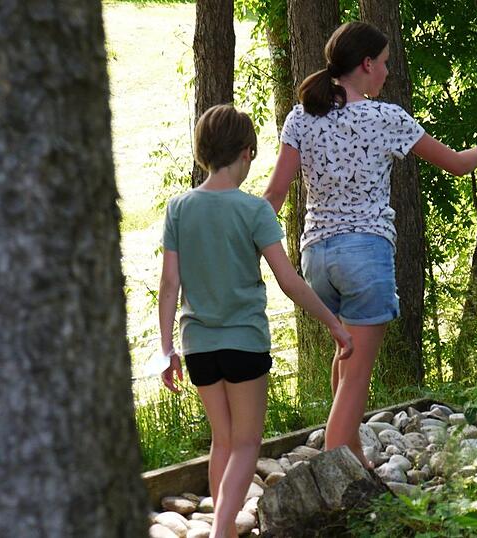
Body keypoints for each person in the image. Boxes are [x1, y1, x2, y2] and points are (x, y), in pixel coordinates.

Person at [263, 21, 477, 469]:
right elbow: (456, 164)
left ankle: (353, 452)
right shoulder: (386, 118)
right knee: (357, 378)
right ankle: (338, 485)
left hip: (317, 259)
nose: (387, 73)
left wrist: (245, 243)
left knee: (345, 358)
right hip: (365, 256)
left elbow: (274, 196)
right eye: (385, 64)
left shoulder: (302, 116)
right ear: (366, 64)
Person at [158, 104, 353, 538]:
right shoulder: (254, 211)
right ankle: (221, 530)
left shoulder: (179, 208)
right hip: (244, 343)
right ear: (248, 153)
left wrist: (166, 349)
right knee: (247, 443)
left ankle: (222, 529)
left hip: (198, 347)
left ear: (201, 152)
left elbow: (169, 285)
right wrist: (334, 325)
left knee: (222, 441)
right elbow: (290, 281)